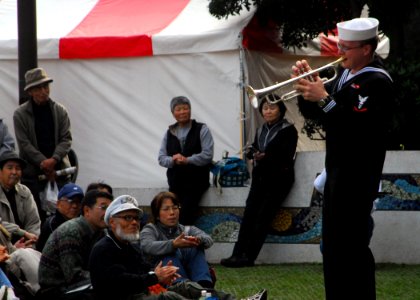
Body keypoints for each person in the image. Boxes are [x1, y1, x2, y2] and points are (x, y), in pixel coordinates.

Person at [292, 17, 395, 299]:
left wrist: (324, 98)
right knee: (333, 251)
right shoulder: (344, 74)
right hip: (337, 175)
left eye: (347, 47)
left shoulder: (378, 82)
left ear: (366, 49)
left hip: (358, 179)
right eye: (340, 45)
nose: (340, 52)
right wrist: (307, 90)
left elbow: (358, 129)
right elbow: (323, 118)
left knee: (352, 250)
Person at [89, 194, 267, 300]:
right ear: (112, 222)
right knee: (170, 296)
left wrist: (160, 275)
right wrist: (156, 273)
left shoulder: (128, 246)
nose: (134, 222)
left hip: (149, 290)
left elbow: (145, 270)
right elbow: (121, 282)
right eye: (127, 218)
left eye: (136, 218)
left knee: (188, 288)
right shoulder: (105, 248)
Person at [221, 95, 298, 268]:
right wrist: (252, 152)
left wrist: (266, 156)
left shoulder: (289, 130)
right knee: (249, 215)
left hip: (279, 179)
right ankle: (236, 254)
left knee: (263, 217)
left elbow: (286, 156)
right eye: (265, 108)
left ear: (280, 109)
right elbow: (257, 148)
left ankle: (248, 257)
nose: (268, 111)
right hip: (261, 178)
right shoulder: (261, 129)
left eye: (272, 107)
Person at [13, 67, 72, 221]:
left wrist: (54, 160)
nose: (43, 91)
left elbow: (66, 139)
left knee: (65, 215)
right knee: (35, 217)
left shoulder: (60, 111)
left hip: (60, 174)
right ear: (30, 91)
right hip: (33, 176)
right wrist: (43, 162)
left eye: (45, 86)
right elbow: (24, 144)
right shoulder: (20, 115)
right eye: (38, 88)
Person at [37, 190, 113, 300]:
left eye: (110, 209)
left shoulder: (102, 233)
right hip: (56, 291)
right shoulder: (70, 232)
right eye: (104, 208)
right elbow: (73, 276)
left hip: (81, 286)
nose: (108, 213)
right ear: (87, 210)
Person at [140, 191, 214, 289]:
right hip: (163, 278)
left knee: (196, 248)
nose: (172, 213)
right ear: (157, 215)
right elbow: (146, 245)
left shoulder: (187, 229)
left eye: (175, 208)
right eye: (166, 209)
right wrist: (173, 244)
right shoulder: (151, 229)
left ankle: (204, 286)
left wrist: (198, 240)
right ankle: (181, 288)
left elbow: (209, 239)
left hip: (192, 275)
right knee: (169, 253)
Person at [158, 96, 214, 225]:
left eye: (185, 108)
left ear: (190, 110)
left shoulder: (202, 129)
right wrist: (173, 160)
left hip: (196, 183)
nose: (182, 112)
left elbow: (207, 155)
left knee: (185, 217)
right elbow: (161, 158)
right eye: (178, 109)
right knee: (173, 218)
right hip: (175, 184)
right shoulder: (169, 132)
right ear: (173, 113)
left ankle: (187, 243)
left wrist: (187, 160)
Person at [0, 151, 40, 243]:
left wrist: (29, 242)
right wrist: (23, 234)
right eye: (10, 168)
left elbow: (33, 222)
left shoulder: (24, 192)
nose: (14, 172)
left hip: (26, 245)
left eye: (18, 168)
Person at [36, 182, 84, 252]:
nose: (75, 206)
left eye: (78, 202)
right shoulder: (51, 225)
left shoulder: (83, 226)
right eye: (71, 201)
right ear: (58, 203)